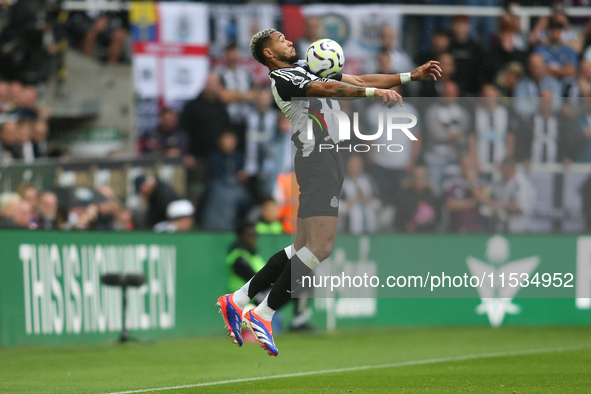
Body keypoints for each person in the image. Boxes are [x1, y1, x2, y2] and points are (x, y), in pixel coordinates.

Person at [216, 28, 441, 356]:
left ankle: (236, 300)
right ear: (268, 53)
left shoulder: (303, 68)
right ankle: (263, 314)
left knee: (302, 248)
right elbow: (329, 87)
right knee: (320, 248)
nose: (289, 41)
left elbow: (359, 80)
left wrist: (409, 76)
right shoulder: (283, 78)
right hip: (316, 160)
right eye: (281, 40)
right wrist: (374, 97)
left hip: (324, 161)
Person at [489, 158, 536, 233]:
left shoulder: (522, 183)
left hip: (519, 228)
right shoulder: (501, 181)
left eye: (503, 170)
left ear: (509, 168)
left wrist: (502, 206)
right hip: (502, 227)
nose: (501, 172)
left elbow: (521, 206)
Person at [340, 154, 380, 234]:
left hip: (370, 229)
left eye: (358, 166)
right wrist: (355, 199)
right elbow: (337, 207)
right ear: (347, 167)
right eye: (352, 166)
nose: (355, 169)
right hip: (348, 230)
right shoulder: (341, 183)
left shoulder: (368, 181)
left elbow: (378, 204)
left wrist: (365, 198)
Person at [395, 166, 439, 233]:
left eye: (421, 178)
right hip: (409, 235)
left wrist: (427, 224)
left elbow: (438, 219)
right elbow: (398, 220)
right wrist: (406, 226)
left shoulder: (433, 197)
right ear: (411, 178)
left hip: (429, 235)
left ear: (426, 179)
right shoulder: (404, 197)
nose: (418, 181)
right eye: (416, 178)